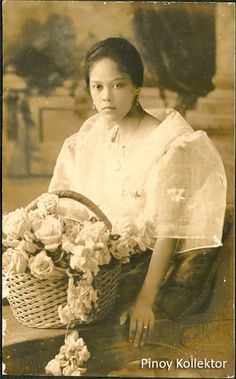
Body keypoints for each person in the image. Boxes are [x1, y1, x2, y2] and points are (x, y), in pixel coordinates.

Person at [49, 37, 227, 347]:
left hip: (146, 270)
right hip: (105, 266)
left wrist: (146, 301)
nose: (106, 97)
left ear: (136, 87)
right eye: (98, 87)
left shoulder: (169, 143)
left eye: (118, 85)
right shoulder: (94, 135)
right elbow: (71, 206)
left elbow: (169, 230)